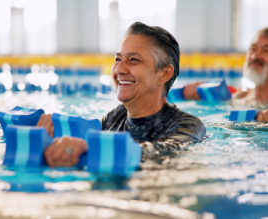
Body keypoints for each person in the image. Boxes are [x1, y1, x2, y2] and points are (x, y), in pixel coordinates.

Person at [37, 22, 206, 167]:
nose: (119, 69)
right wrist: (56, 134)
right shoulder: (115, 118)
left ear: (165, 73)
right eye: (118, 59)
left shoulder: (188, 126)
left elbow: (163, 152)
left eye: (133, 60)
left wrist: (90, 147)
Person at [183, 27, 268, 122]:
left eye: (266, 50)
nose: (255, 56)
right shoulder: (240, 96)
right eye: (253, 49)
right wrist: (200, 95)